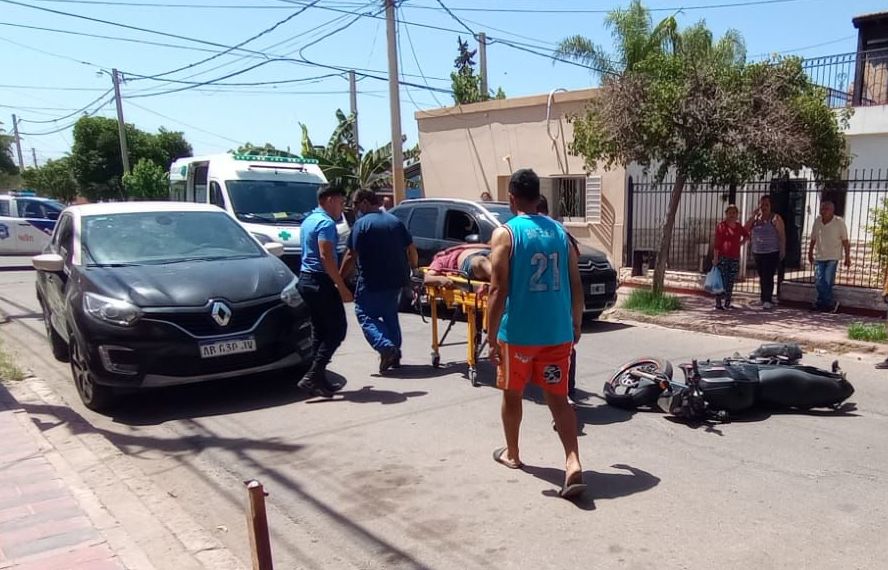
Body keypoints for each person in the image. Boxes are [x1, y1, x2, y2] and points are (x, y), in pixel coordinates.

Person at [486, 168, 586, 499]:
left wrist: (489, 335)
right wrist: (577, 321)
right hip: (557, 333)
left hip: (518, 335)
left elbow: (497, 290)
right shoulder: (560, 232)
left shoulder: (505, 234)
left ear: (512, 198)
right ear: (538, 195)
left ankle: (513, 454)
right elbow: (575, 282)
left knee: (512, 394)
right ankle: (572, 461)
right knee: (558, 397)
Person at [340, 189, 418, 372]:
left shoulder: (361, 224)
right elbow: (411, 248)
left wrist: (339, 279)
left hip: (372, 281)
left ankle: (385, 347)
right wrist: (414, 269)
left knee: (364, 314)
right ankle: (394, 352)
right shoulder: (395, 222)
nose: (355, 209)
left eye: (355, 205)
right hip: (397, 280)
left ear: (365, 203)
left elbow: (351, 255)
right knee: (390, 315)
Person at [296, 186, 353, 398]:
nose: (342, 208)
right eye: (340, 202)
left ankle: (319, 379)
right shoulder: (326, 223)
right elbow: (325, 256)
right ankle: (313, 375)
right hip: (321, 281)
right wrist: (340, 286)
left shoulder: (309, 219)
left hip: (306, 279)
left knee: (320, 331)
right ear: (329, 200)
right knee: (338, 329)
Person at [537, 195, 581, 405]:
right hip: (561, 303)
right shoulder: (562, 232)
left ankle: (557, 394)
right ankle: (564, 393)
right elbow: (575, 275)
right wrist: (577, 321)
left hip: (535, 304)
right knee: (564, 349)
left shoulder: (520, 230)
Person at [808, 200, 850, 313]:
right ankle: (830, 303)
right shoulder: (817, 221)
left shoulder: (839, 222)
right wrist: (810, 252)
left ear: (832, 210)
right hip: (819, 256)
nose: (823, 211)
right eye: (822, 208)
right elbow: (813, 238)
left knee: (827, 281)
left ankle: (820, 303)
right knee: (818, 281)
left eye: (826, 209)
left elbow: (845, 241)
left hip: (833, 256)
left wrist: (847, 257)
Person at [744, 195, 785, 310]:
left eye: (766, 204)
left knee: (768, 275)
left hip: (771, 251)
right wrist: (752, 216)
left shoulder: (775, 218)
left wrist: (783, 250)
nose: (764, 207)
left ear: (771, 206)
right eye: (762, 204)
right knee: (762, 276)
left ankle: (768, 299)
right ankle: (763, 298)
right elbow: (745, 229)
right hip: (758, 251)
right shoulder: (756, 219)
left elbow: (782, 235)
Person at [712, 204, 749, 310]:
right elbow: (717, 244)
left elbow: (746, 235)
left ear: (737, 214)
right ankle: (718, 303)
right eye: (730, 213)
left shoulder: (738, 227)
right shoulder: (721, 226)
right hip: (723, 257)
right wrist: (715, 258)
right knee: (721, 280)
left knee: (731, 280)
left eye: (734, 213)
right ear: (726, 214)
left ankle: (727, 303)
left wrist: (741, 243)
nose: (732, 215)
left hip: (734, 257)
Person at [424, 244, 492, 287]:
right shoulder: (440, 259)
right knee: (481, 262)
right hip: (471, 260)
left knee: (493, 258)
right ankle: (499, 280)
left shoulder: (464, 247)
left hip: (487, 252)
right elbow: (427, 278)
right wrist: (441, 280)